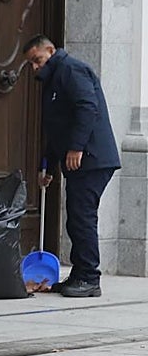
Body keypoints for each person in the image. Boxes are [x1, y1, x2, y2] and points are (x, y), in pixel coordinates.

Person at [23, 35, 121, 298]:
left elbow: (88, 108)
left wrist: (77, 147)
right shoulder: (54, 79)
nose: (35, 67)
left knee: (82, 217)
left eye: (37, 60)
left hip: (92, 158)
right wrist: (48, 167)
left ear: (51, 51)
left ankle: (89, 278)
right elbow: (57, 128)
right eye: (31, 63)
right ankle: (80, 275)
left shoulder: (71, 70)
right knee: (77, 218)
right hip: (81, 160)